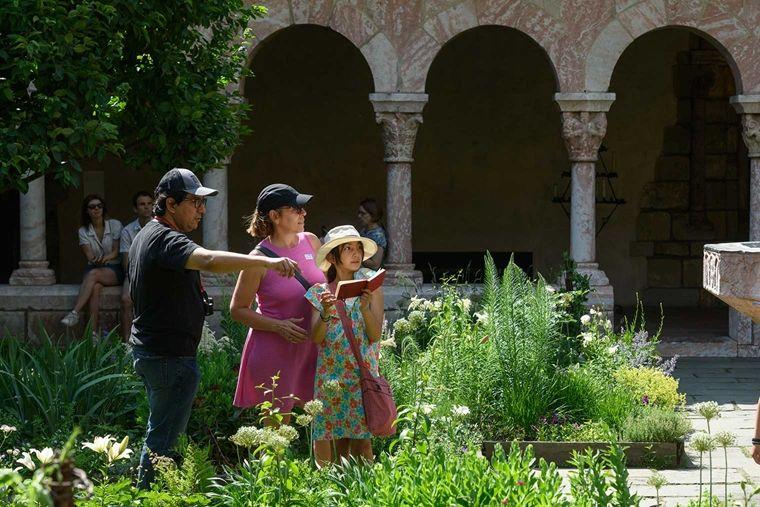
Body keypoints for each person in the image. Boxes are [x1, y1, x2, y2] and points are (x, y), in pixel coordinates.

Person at [129, 168, 298, 489]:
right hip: (168, 357)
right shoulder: (164, 238)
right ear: (170, 204)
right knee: (163, 441)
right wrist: (266, 261)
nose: (202, 210)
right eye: (195, 202)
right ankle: (148, 496)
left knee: (162, 435)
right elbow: (207, 260)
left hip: (159, 353)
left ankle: (154, 493)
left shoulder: (147, 235)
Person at [232, 184, 325, 417]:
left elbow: (328, 284)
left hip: (312, 346)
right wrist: (278, 326)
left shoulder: (312, 241)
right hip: (274, 349)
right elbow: (237, 309)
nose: (304, 213)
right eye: (296, 209)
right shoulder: (258, 259)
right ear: (275, 216)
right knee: (277, 433)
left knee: (320, 424)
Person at [305, 225, 384, 465]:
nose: (355, 253)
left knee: (362, 440)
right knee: (329, 436)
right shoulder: (318, 293)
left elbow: (374, 335)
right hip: (331, 376)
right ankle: (327, 491)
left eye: (358, 247)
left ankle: (366, 494)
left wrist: (364, 308)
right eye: (347, 248)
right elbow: (316, 338)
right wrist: (327, 313)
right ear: (332, 256)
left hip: (361, 373)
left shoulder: (371, 287)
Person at [61, 194, 124, 333]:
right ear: (87, 211)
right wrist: (97, 259)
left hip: (114, 268)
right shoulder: (83, 231)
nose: (96, 209)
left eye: (99, 206)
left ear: (103, 208)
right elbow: (89, 255)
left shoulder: (114, 224)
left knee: (93, 274)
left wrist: (105, 258)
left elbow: (116, 251)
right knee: (94, 288)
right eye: (92, 207)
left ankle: (75, 312)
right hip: (95, 267)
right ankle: (93, 334)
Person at [119, 190, 154, 341]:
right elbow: (127, 263)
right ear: (135, 209)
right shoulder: (128, 231)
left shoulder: (161, 227)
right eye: (142, 204)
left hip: (156, 274)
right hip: (134, 273)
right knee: (126, 299)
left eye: (149, 204)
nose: (146, 207)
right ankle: (127, 341)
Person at [357, 198, 387, 270]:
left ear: (373, 215)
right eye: (359, 213)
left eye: (363, 213)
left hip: (371, 275)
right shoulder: (364, 231)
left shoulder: (378, 236)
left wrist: (355, 257)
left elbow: (375, 264)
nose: (359, 216)